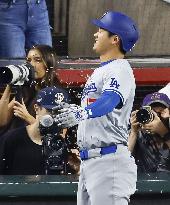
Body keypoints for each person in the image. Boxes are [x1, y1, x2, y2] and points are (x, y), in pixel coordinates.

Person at [54, 11, 139, 205]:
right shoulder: (103, 70)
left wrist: (81, 112)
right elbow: (97, 108)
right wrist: (74, 109)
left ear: (115, 39)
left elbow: (110, 100)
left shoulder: (120, 68)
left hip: (109, 162)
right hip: (91, 162)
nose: (95, 34)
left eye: (101, 30)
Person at [0, 87, 80, 175]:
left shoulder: (61, 146)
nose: (55, 117)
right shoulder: (11, 139)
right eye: (51, 111)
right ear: (37, 109)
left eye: (60, 112)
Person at [0, 45, 58, 132]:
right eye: (29, 60)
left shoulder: (57, 93)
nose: (31, 65)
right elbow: (2, 121)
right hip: (15, 141)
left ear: (49, 63)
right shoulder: (26, 89)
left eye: (37, 60)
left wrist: (27, 117)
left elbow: (57, 135)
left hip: (35, 144)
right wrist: (10, 84)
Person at [128, 92, 170, 172]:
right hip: (144, 183)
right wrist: (133, 133)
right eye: (152, 113)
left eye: (160, 112)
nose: (157, 118)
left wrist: (164, 133)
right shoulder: (137, 133)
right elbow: (121, 163)